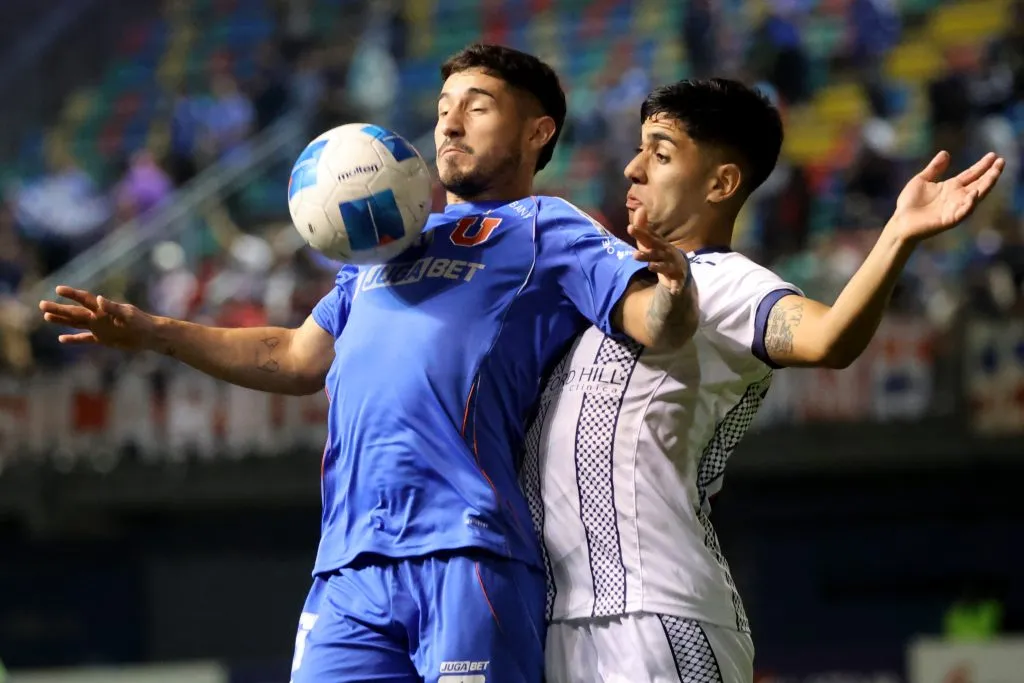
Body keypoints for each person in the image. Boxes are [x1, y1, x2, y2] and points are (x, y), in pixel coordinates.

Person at [37, 45, 699, 683]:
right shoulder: (385, 246)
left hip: (468, 551)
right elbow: (295, 357)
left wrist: (676, 290)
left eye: (478, 106)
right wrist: (153, 331)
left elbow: (653, 324)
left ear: (537, 132)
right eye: (443, 106)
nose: (449, 121)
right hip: (349, 569)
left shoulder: (548, 228)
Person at [523, 78, 1004, 683]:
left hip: (655, 615)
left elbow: (830, 339)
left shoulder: (727, 282)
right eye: (640, 148)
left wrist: (897, 235)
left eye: (661, 153)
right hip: (564, 617)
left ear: (721, 183)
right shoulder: (614, 292)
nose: (632, 168)